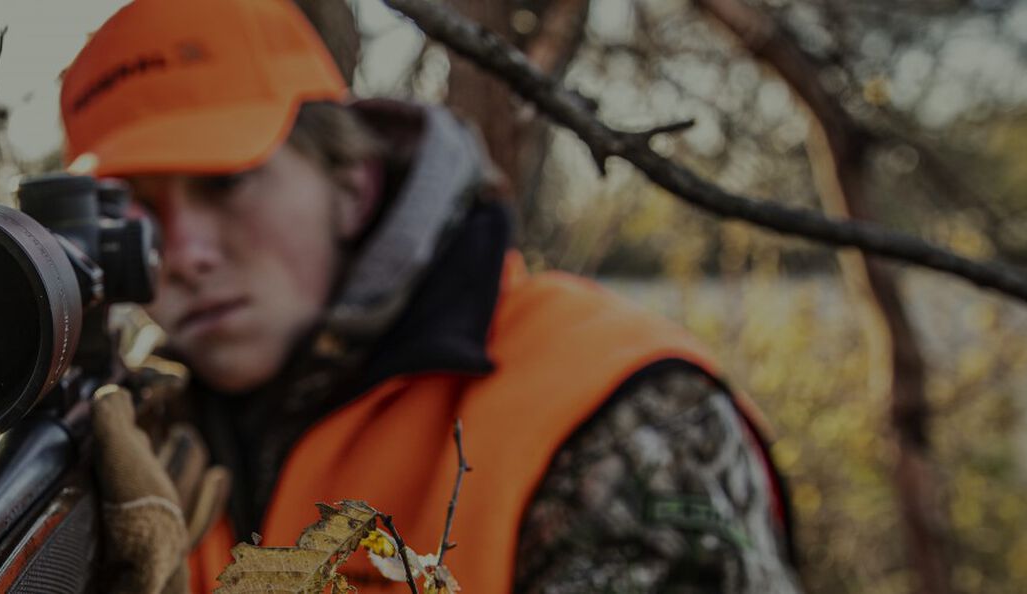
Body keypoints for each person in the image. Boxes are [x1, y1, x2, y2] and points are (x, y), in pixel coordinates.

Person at [65, 1, 804, 593]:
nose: (185, 254)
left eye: (226, 183)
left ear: (350, 188)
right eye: (138, 212)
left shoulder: (615, 408)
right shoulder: (124, 438)